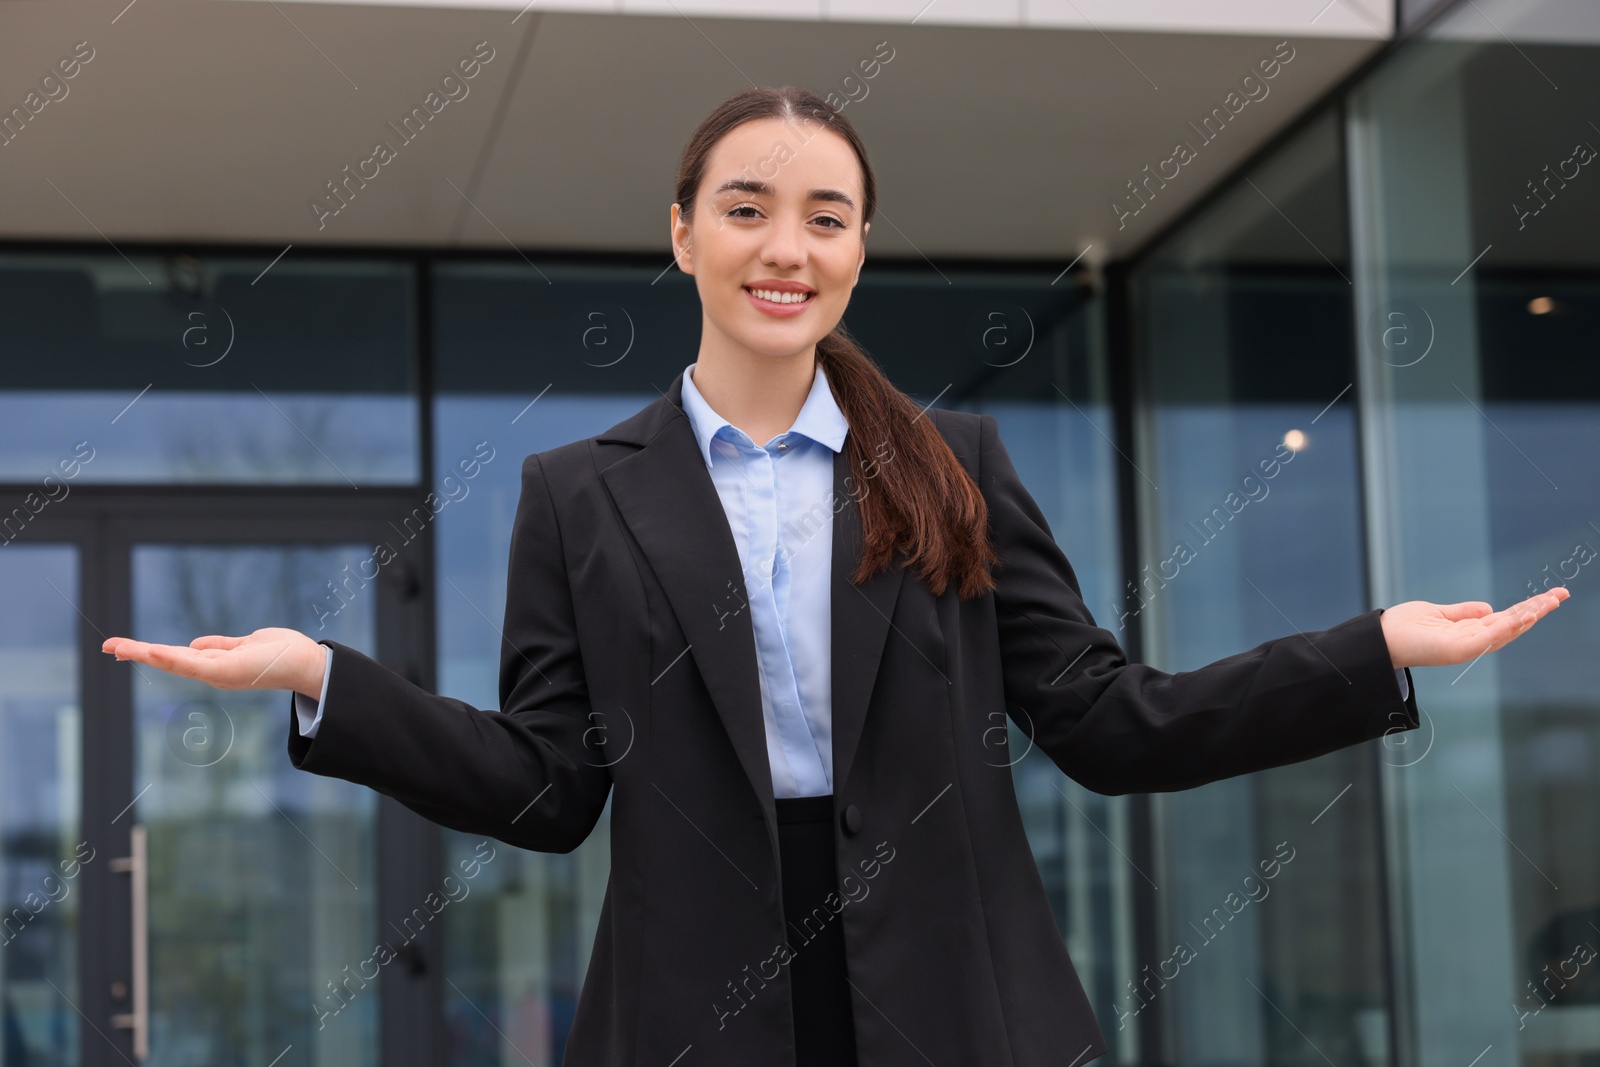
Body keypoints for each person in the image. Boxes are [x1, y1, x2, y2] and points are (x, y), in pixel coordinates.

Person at [101, 85, 1570, 1067]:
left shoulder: (956, 465)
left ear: (860, 244)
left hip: (956, 997)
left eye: (826, 216)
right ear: (681, 235)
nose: (784, 248)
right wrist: (319, 679)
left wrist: (1371, 648)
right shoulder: (577, 499)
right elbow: (544, 792)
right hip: (694, 1008)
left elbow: (1115, 723)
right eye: (746, 209)